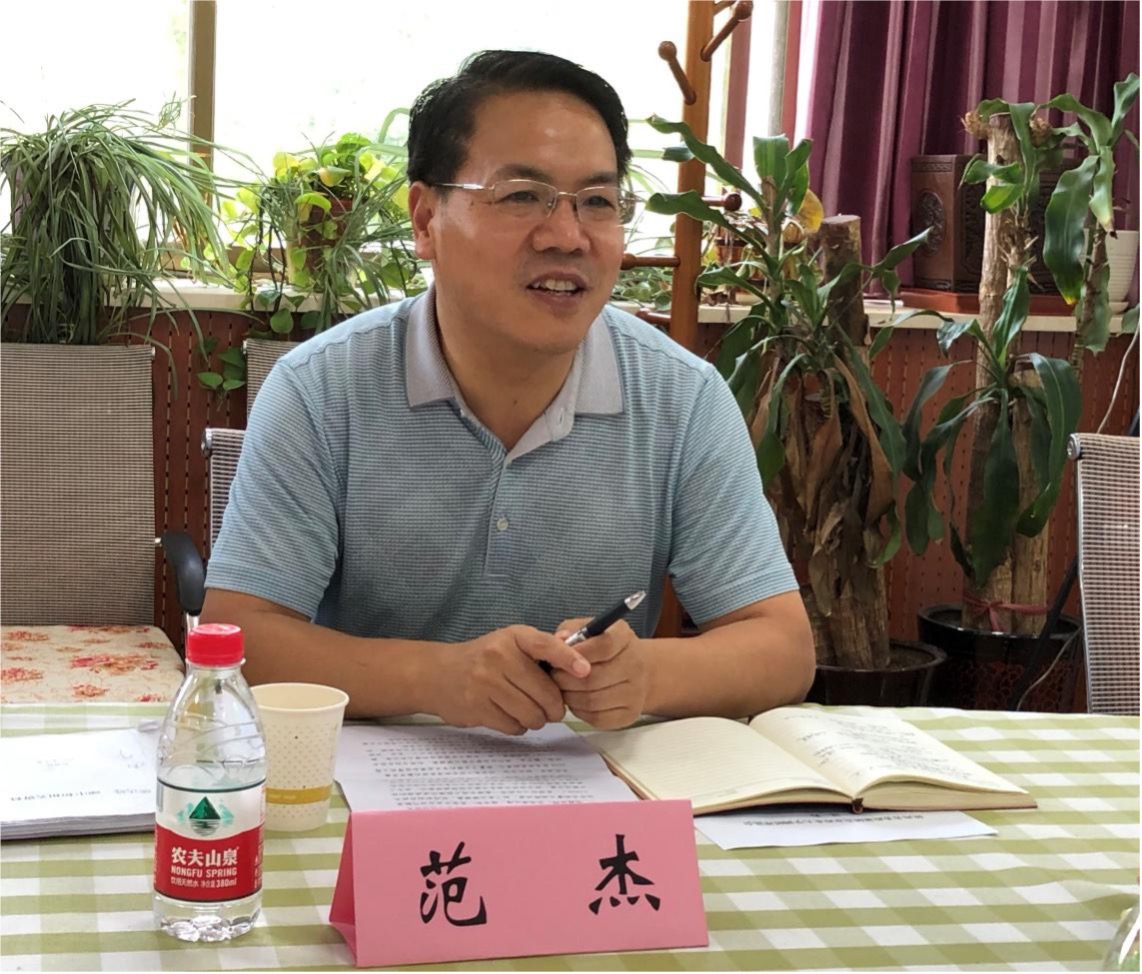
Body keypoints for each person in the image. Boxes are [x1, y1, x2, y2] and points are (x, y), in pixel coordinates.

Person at [202, 50, 815, 733]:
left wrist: (645, 673)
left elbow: (782, 649)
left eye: (597, 202)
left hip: (588, 780)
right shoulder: (321, 390)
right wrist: (435, 678)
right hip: (370, 779)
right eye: (522, 195)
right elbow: (241, 636)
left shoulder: (682, 399)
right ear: (425, 220)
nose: (567, 236)